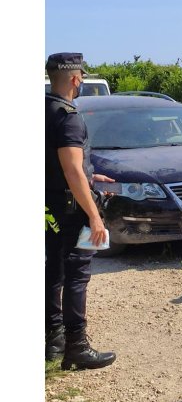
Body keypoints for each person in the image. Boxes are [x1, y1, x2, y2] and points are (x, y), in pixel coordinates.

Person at [45, 52, 116, 370]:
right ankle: (77, 346)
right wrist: (95, 216)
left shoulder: (43, 109)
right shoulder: (69, 116)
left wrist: (90, 175)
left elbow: (57, 164)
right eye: (82, 77)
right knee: (78, 274)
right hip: (74, 211)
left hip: (49, 207)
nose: (83, 82)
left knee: (53, 272)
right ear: (75, 79)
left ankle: (53, 341)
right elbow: (71, 170)